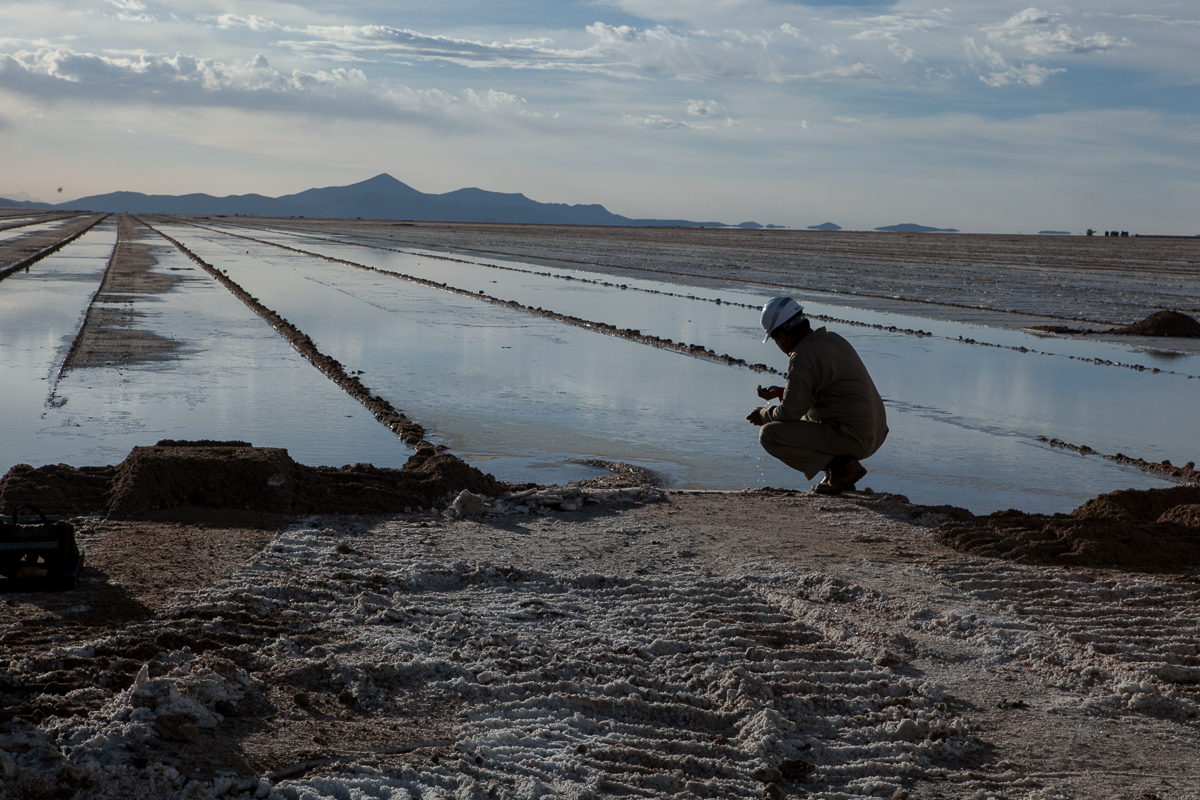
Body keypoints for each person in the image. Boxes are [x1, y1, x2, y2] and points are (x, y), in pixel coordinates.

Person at [747, 297, 888, 495]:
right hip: (875, 434)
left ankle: (841, 468)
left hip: (854, 438)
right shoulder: (833, 340)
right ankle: (839, 473)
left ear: (782, 336)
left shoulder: (803, 356)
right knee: (805, 419)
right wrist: (781, 392)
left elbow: (789, 414)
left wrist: (763, 414)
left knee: (770, 435)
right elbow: (820, 391)